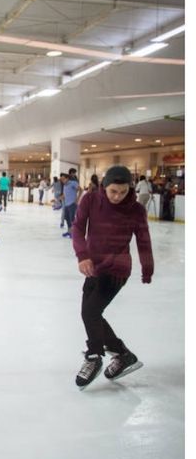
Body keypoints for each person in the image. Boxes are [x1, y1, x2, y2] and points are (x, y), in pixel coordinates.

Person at [72, 166, 153, 389]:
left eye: (123, 191)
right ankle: (122, 354)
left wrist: (147, 268)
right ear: (104, 188)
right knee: (90, 313)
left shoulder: (136, 210)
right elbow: (78, 228)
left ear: (130, 189)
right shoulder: (90, 200)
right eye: (113, 191)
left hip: (117, 269)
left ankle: (94, 356)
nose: (118, 196)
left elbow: (143, 241)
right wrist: (82, 255)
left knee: (91, 312)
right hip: (94, 266)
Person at [61, 173, 80, 237]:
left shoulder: (73, 183)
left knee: (72, 219)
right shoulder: (64, 185)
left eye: (63, 179)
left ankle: (74, 232)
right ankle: (69, 231)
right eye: (61, 179)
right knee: (66, 218)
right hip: (66, 204)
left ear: (67, 178)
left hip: (72, 203)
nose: (62, 180)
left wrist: (77, 199)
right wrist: (61, 198)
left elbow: (80, 190)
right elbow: (65, 194)